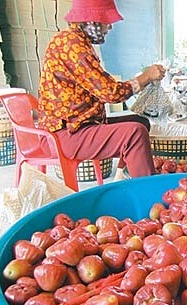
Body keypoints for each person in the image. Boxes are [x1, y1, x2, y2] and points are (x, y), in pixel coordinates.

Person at [38, 0, 166, 180]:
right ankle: (147, 195)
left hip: (79, 125)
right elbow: (111, 93)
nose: (110, 28)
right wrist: (145, 77)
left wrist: (143, 79)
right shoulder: (71, 45)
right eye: (106, 22)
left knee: (140, 122)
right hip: (65, 135)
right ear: (92, 22)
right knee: (134, 134)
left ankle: (122, 180)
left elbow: (102, 85)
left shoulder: (77, 41)